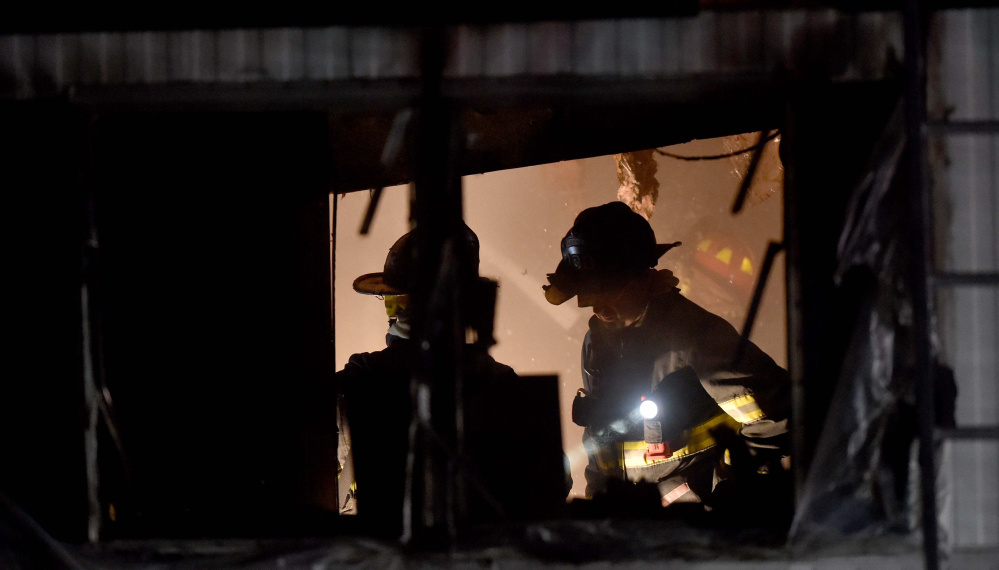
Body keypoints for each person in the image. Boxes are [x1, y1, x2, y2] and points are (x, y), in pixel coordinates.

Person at [543, 201, 792, 518]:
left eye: (609, 295)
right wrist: (599, 506)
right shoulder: (597, 342)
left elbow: (780, 414)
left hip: (694, 535)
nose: (599, 312)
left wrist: (724, 488)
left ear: (639, 277)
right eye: (588, 298)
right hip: (629, 532)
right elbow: (602, 441)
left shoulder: (693, 336)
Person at [335, 224, 531, 538]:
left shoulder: (365, 375)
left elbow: (314, 465)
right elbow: (549, 483)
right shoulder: (499, 380)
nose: (391, 310)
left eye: (394, 300)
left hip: (383, 547)